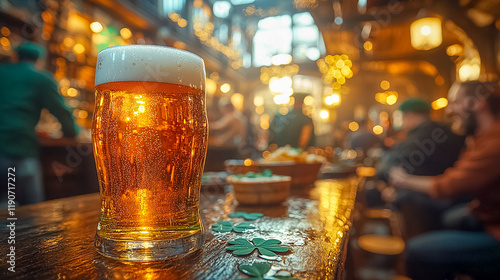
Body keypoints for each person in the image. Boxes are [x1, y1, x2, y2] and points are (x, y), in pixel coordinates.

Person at [390, 81, 500, 280]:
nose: (449, 110)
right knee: (451, 218)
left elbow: (449, 185)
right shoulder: (480, 137)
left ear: (478, 103)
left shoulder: (494, 142)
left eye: (455, 102)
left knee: (418, 252)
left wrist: (404, 180)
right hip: (489, 214)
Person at [0, 41, 78, 206]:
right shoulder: (41, 78)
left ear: (16, 57)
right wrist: (72, 133)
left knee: (5, 204)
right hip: (21, 148)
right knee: (32, 210)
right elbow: (61, 112)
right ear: (39, 60)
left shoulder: (2, 72)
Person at [376, 98, 466, 237]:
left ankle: (405, 249)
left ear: (411, 115)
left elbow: (392, 166)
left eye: (402, 117)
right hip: (451, 196)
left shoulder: (421, 135)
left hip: (435, 200)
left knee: (392, 196)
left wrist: (393, 182)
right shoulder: (442, 131)